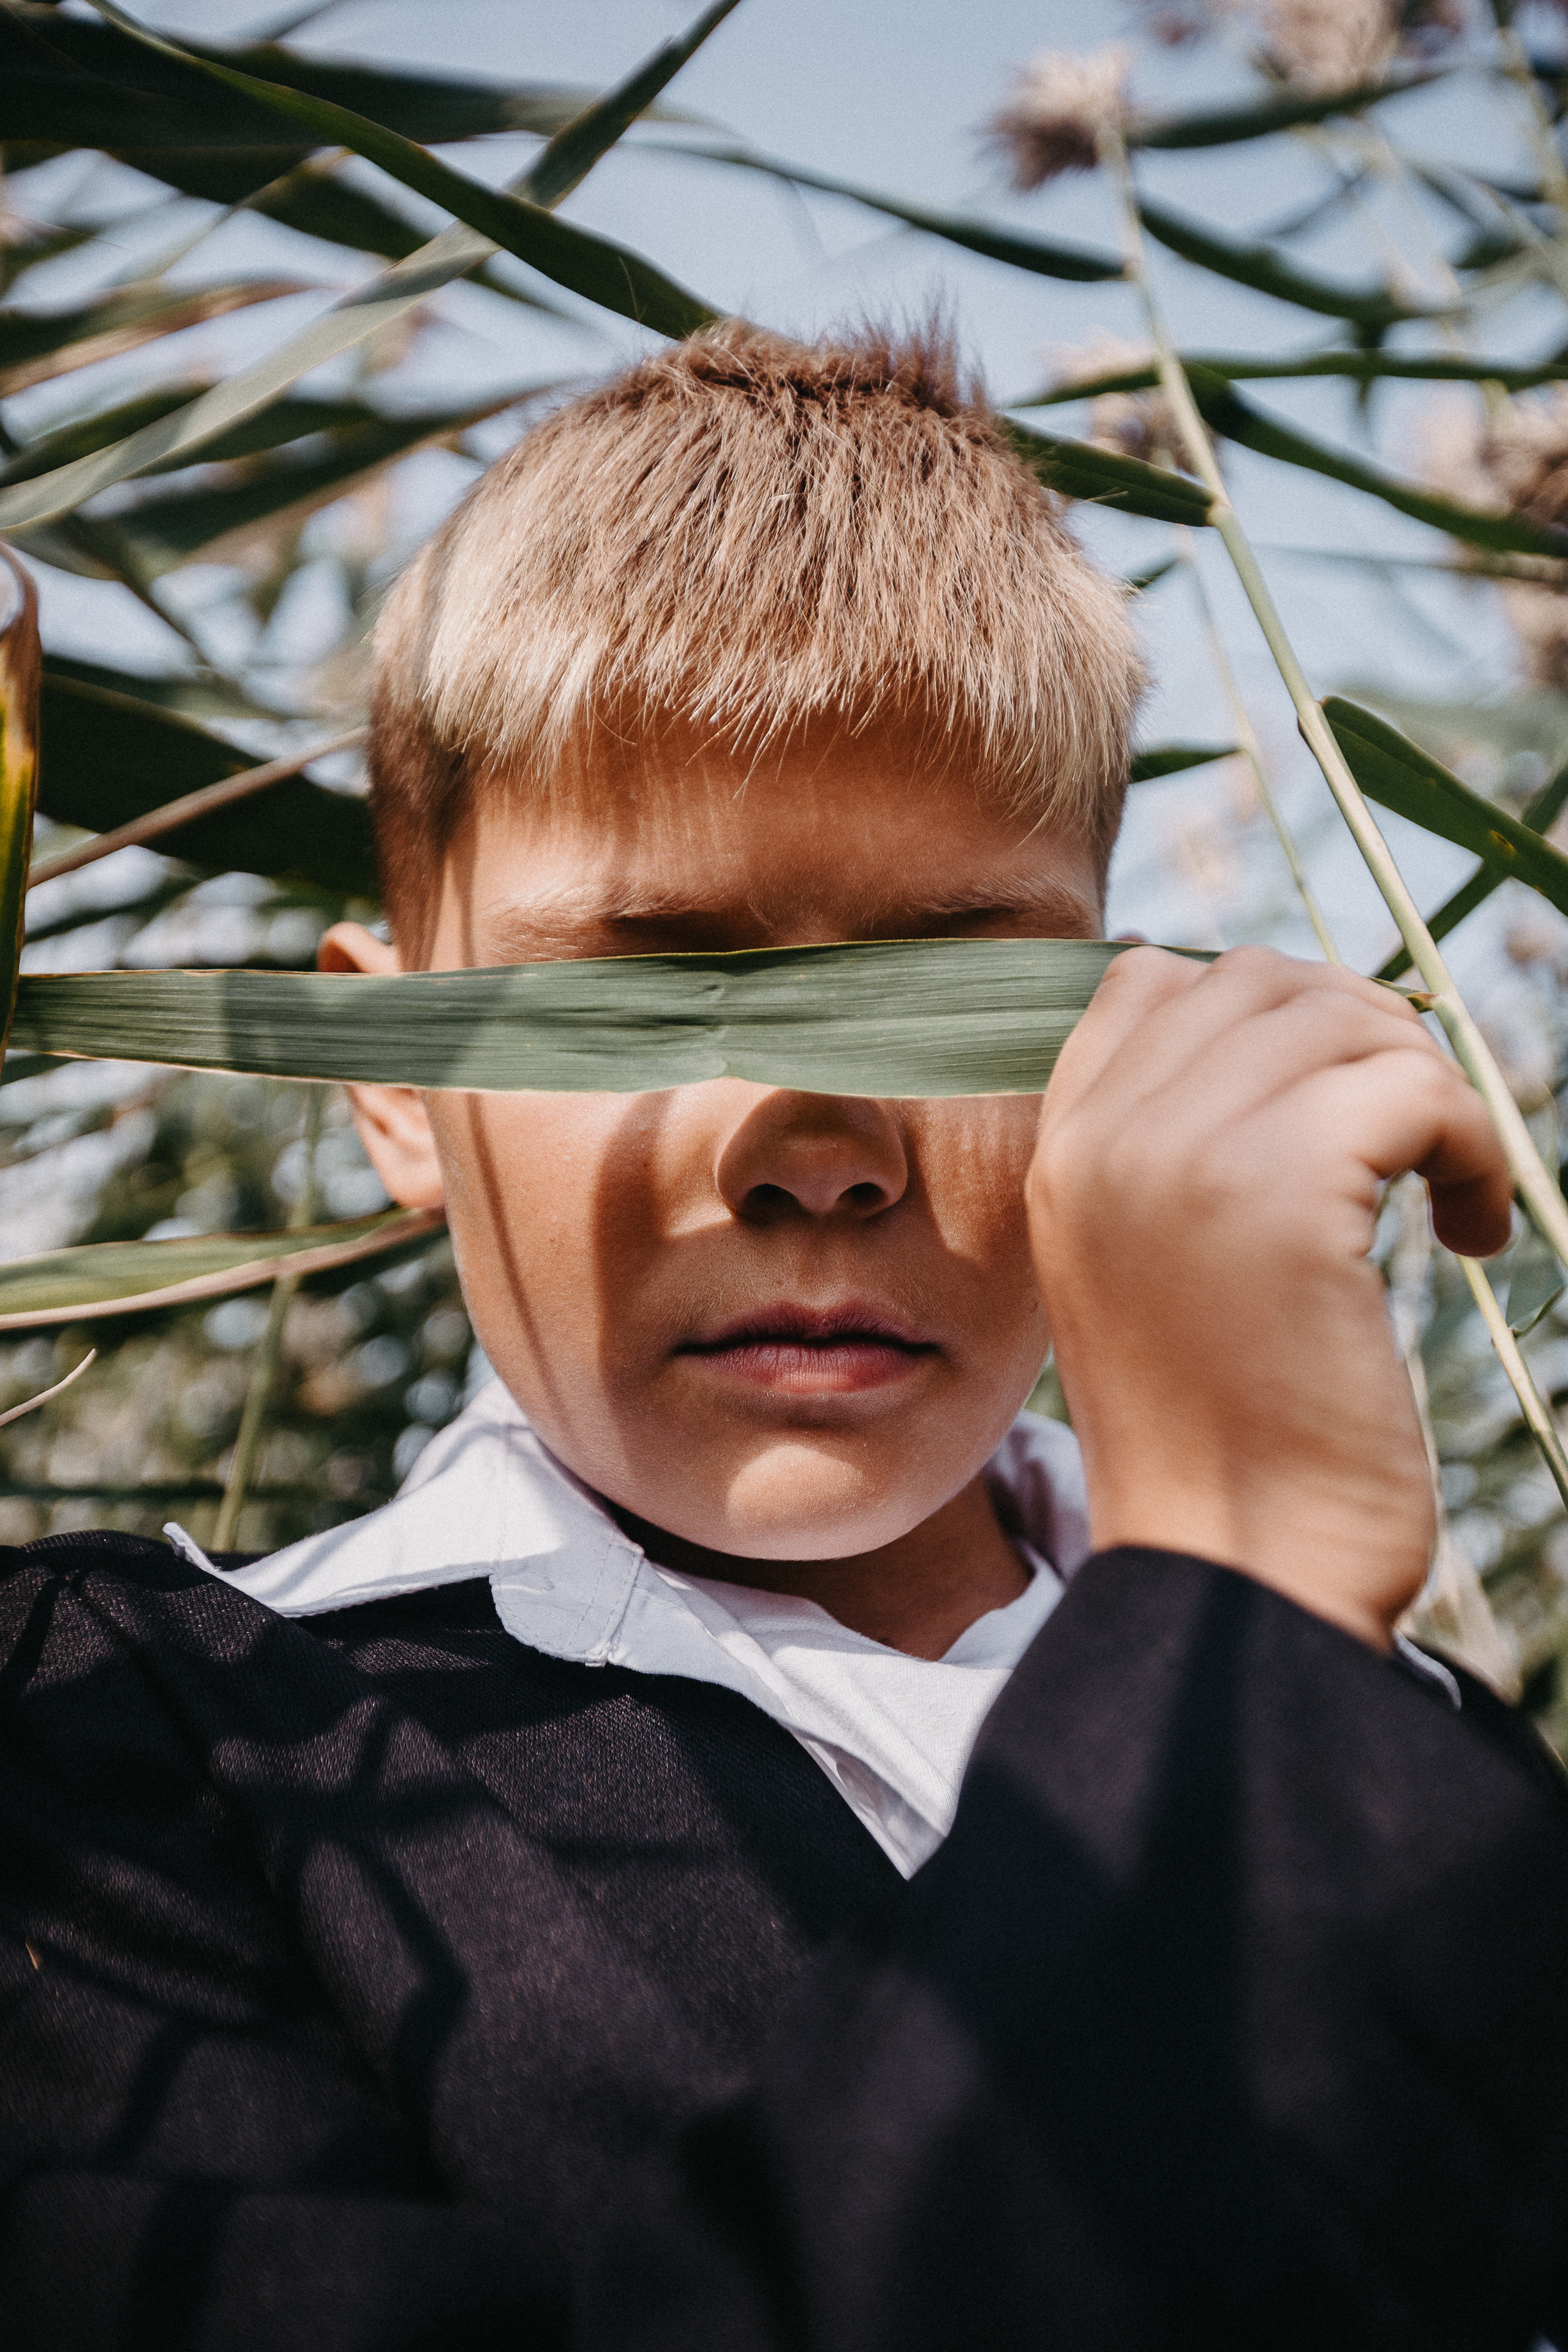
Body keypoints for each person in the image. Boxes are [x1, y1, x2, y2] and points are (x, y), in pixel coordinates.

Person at [5, 322, 1568, 2352]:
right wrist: (1232, 1603)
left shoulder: (1428, 1747)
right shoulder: (142, 1752)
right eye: (651, 996)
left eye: (952, 998)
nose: (818, 1154)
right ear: (394, 1078)